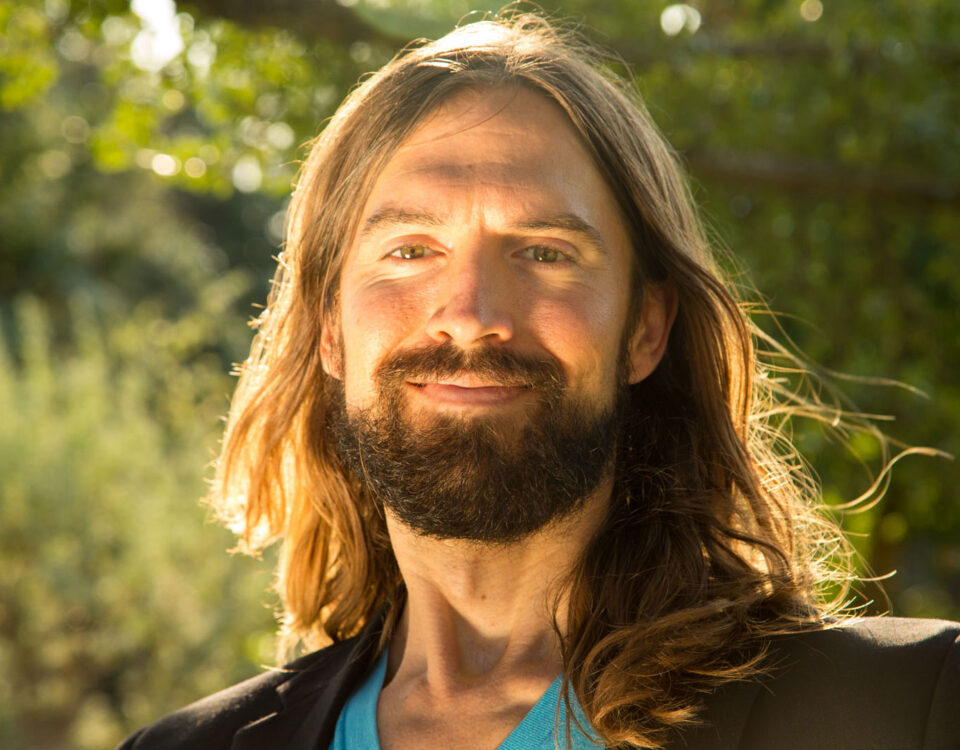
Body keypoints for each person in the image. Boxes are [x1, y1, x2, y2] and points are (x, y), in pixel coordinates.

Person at [118, 13, 959, 750]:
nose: (473, 312)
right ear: (330, 327)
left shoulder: (907, 710)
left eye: (547, 254)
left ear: (645, 329)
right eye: (410, 249)